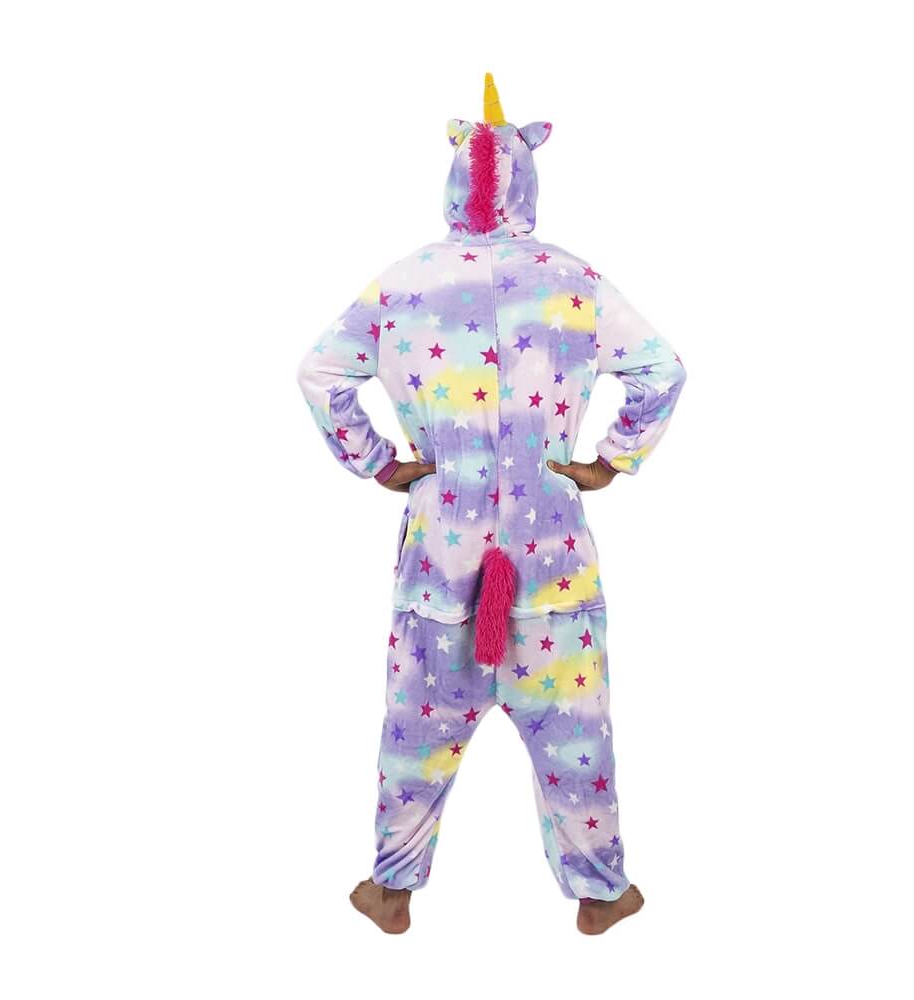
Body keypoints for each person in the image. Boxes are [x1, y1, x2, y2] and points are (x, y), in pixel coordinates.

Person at [297, 74, 686, 935]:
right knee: (575, 730)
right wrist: (609, 461)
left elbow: (319, 373)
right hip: (552, 558)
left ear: (454, 180)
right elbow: (663, 370)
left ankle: (392, 890)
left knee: (417, 728)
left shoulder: (404, 284)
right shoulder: (573, 281)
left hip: (443, 556)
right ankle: (602, 894)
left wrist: (379, 463)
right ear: (529, 180)